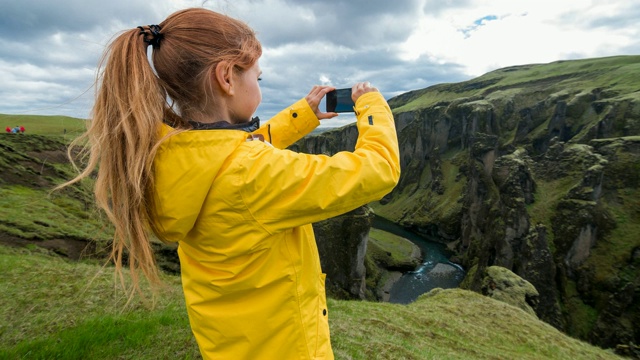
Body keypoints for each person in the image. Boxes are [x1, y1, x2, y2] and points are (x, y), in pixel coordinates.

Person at [61, 8, 400, 360]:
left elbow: (229, 149)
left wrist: (304, 114)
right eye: (258, 77)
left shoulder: (168, 154)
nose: (259, 86)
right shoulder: (249, 174)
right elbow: (378, 169)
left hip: (226, 346)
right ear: (226, 77)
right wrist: (371, 104)